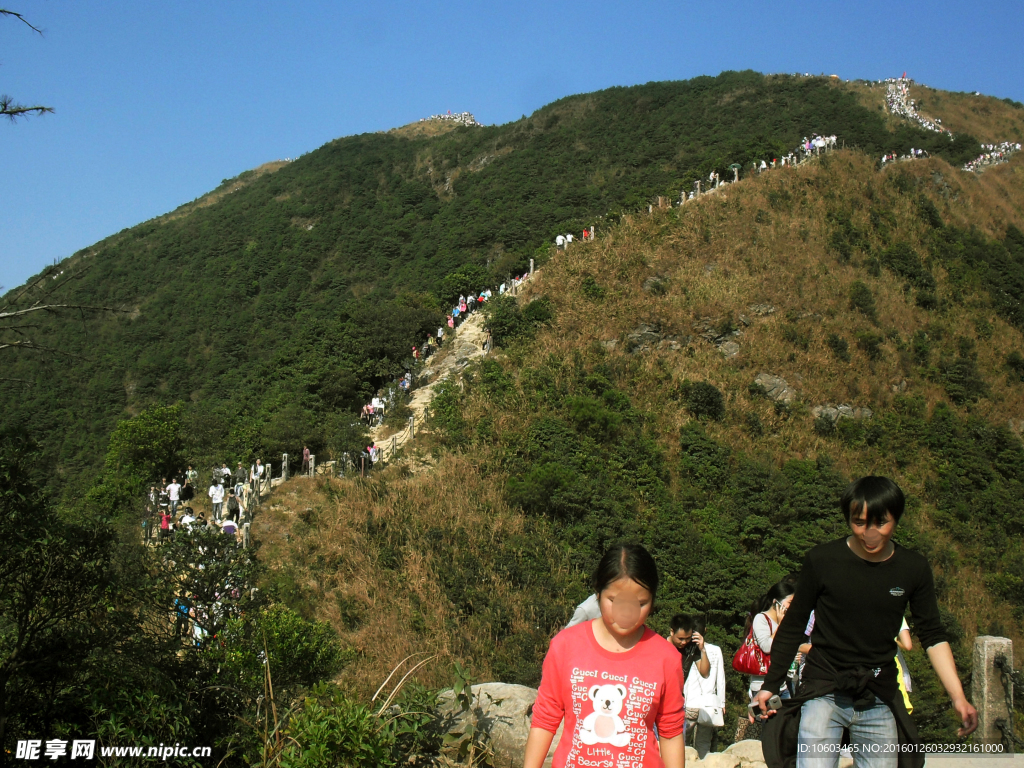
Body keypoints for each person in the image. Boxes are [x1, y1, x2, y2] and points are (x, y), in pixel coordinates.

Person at [756, 476, 978, 767]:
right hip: (824, 688)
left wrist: (958, 698)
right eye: (859, 522)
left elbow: (933, 635)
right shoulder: (823, 560)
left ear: (896, 518)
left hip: (877, 692)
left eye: (880, 523)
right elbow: (794, 624)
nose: (869, 533)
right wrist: (770, 684)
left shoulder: (912, 568)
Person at [524, 544, 684, 768]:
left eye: (640, 603)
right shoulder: (565, 646)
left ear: (653, 600)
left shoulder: (666, 658)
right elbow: (545, 718)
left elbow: (671, 731)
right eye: (614, 600)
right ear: (597, 593)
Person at [672, 616, 725, 759]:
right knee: (697, 745)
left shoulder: (689, 649)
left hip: (689, 703)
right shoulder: (715, 650)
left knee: (686, 744)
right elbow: (720, 679)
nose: (684, 642)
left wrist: (702, 650)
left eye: (687, 638)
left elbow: (698, 674)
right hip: (702, 705)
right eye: (681, 638)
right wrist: (722, 702)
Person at [745, 580, 796, 718]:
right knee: (770, 727)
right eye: (790, 602)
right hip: (763, 685)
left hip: (782, 684)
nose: (792, 606)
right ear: (776, 602)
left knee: (785, 726)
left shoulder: (785, 620)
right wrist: (780, 625)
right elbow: (767, 647)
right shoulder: (761, 619)